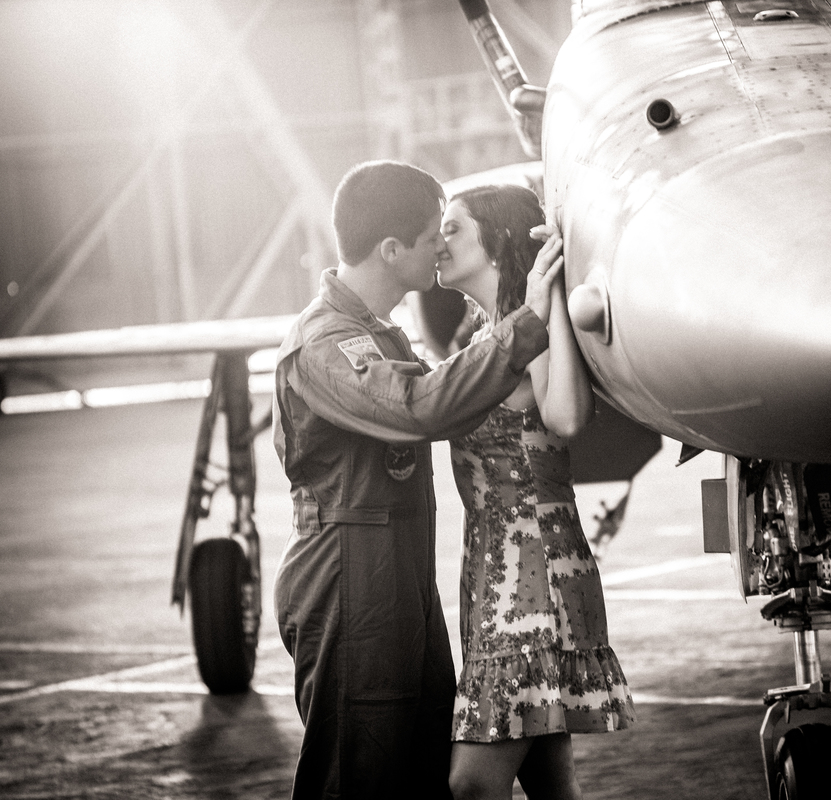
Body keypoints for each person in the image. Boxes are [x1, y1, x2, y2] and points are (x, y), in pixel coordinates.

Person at [272, 161, 564, 800]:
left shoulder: (379, 334)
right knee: (360, 774)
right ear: (391, 250)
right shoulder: (326, 343)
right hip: (351, 582)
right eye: (435, 231)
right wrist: (526, 324)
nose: (442, 243)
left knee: (423, 773)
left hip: (400, 579)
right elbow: (418, 406)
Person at [435, 184, 636, 800]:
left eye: (452, 229)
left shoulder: (532, 325)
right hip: (496, 567)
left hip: (531, 573)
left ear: (495, 241)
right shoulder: (486, 332)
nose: (438, 243)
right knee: (551, 786)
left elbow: (567, 418)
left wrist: (549, 301)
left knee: (472, 784)